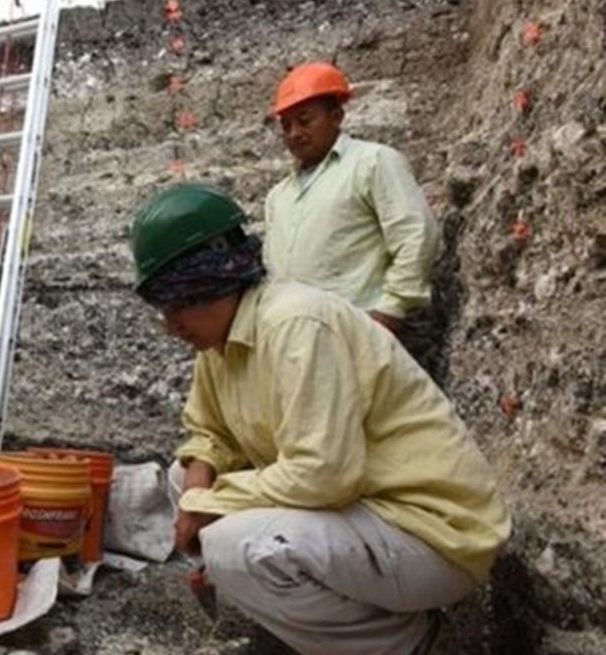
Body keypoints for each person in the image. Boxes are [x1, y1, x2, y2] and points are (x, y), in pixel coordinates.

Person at [129, 184, 510, 654]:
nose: (170, 325)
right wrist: (198, 485)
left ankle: (412, 643)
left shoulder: (296, 325)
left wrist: (210, 501)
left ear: (213, 282)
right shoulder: (222, 342)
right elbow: (209, 433)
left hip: (431, 534)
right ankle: (324, 626)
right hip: (363, 514)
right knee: (181, 479)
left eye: (177, 304)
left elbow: (326, 476)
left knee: (235, 544)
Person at [264, 61, 440, 337]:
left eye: (305, 120)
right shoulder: (279, 196)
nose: (294, 133)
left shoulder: (373, 162)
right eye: (286, 126)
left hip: (362, 333)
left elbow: (415, 234)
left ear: (336, 116)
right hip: (299, 341)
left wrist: (390, 310)